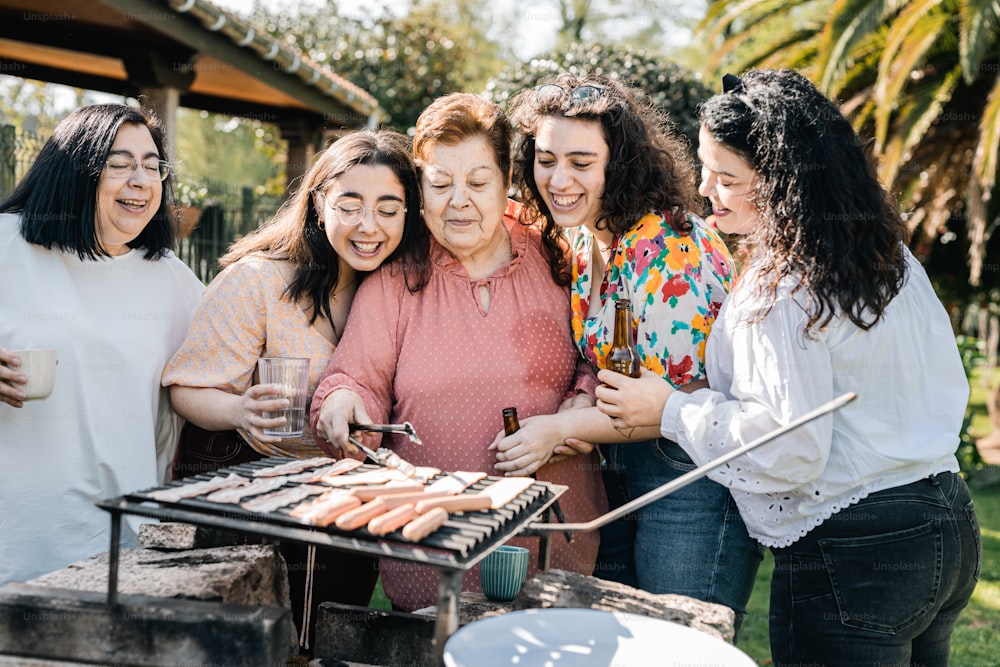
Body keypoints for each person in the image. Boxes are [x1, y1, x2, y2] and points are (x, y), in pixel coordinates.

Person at [597, 69, 982, 666]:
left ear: (783, 182)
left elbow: (790, 447)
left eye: (726, 178)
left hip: (856, 549)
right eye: (705, 169)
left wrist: (672, 410)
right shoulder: (890, 256)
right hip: (948, 520)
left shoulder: (780, 288)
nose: (706, 190)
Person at [311, 92, 608, 612]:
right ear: (421, 191)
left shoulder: (557, 257)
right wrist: (342, 405)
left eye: (477, 182)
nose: (459, 201)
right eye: (441, 185)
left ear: (506, 183)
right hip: (433, 556)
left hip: (554, 545)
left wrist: (580, 404)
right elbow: (355, 379)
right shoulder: (395, 281)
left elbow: (596, 354)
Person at [497, 73, 762, 622]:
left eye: (580, 162)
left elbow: (678, 400)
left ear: (617, 164)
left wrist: (557, 429)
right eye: (545, 159)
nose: (558, 178)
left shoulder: (668, 244)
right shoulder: (581, 236)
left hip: (689, 476)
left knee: (682, 641)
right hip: (613, 467)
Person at [161, 129, 430, 645]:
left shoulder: (401, 292)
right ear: (318, 202)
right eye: (350, 205)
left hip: (348, 511)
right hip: (253, 504)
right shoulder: (257, 282)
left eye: (389, 208)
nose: (368, 226)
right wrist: (239, 409)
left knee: (325, 643)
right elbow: (186, 389)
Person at [0, 104, 204, 585]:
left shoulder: (174, 283)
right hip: (13, 538)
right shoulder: (7, 244)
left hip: (117, 548)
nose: (141, 180)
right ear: (75, 169)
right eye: (119, 164)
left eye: (153, 166)